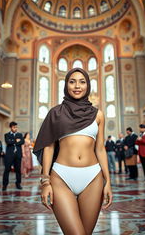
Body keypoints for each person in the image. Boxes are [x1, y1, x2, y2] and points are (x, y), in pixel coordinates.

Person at [33, 68, 112, 235]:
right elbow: (49, 147)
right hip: (61, 177)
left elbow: (100, 149)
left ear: (88, 86)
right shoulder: (56, 113)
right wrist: (45, 182)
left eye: (82, 82)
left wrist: (108, 182)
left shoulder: (98, 115)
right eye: (72, 81)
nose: (77, 86)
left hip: (93, 178)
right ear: (66, 84)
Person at [2, 121, 25, 191]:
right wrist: (16, 140)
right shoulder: (7, 135)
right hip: (9, 155)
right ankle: (5, 185)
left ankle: (18, 184)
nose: (16, 128)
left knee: (18, 170)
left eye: (16, 127)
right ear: (11, 127)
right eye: (14, 127)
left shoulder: (20, 134)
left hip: (18, 154)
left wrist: (13, 141)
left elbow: (22, 142)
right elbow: (8, 142)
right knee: (7, 169)